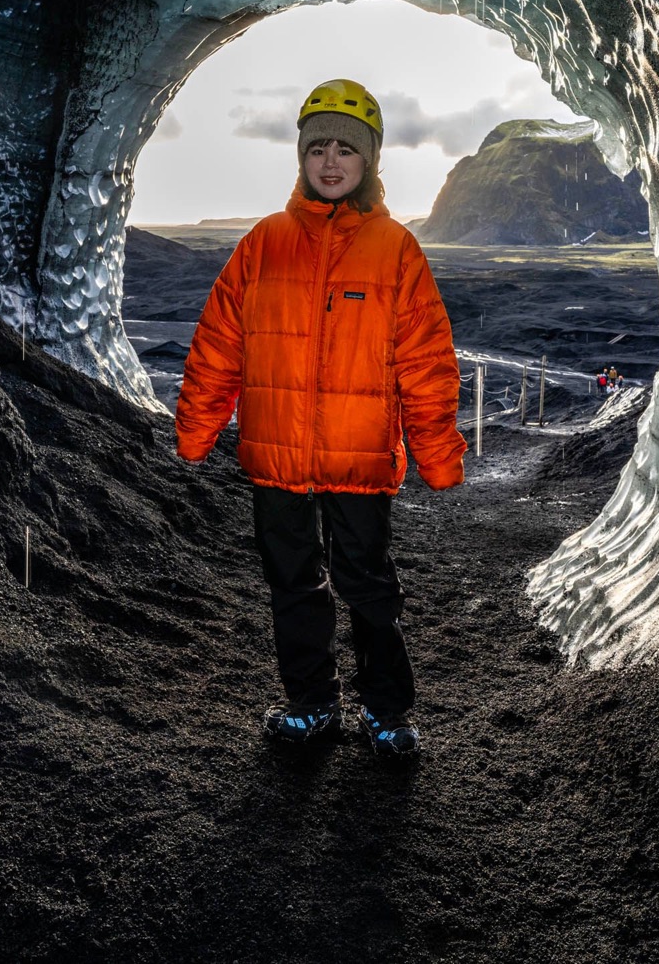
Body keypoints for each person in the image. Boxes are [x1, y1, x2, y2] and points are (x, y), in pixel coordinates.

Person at [174, 78, 467, 760]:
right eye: (317, 150)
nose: (330, 163)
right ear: (301, 158)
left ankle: (387, 715)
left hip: (358, 459)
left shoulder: (395, 249)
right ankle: (313, 706)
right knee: (293, 586)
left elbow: (426, 360)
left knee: (369, 589)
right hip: (276, 457)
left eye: (346, 151)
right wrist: (197, 429)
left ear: (369, 162)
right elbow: (218, 344)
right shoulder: (264, 244)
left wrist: (437, 454)